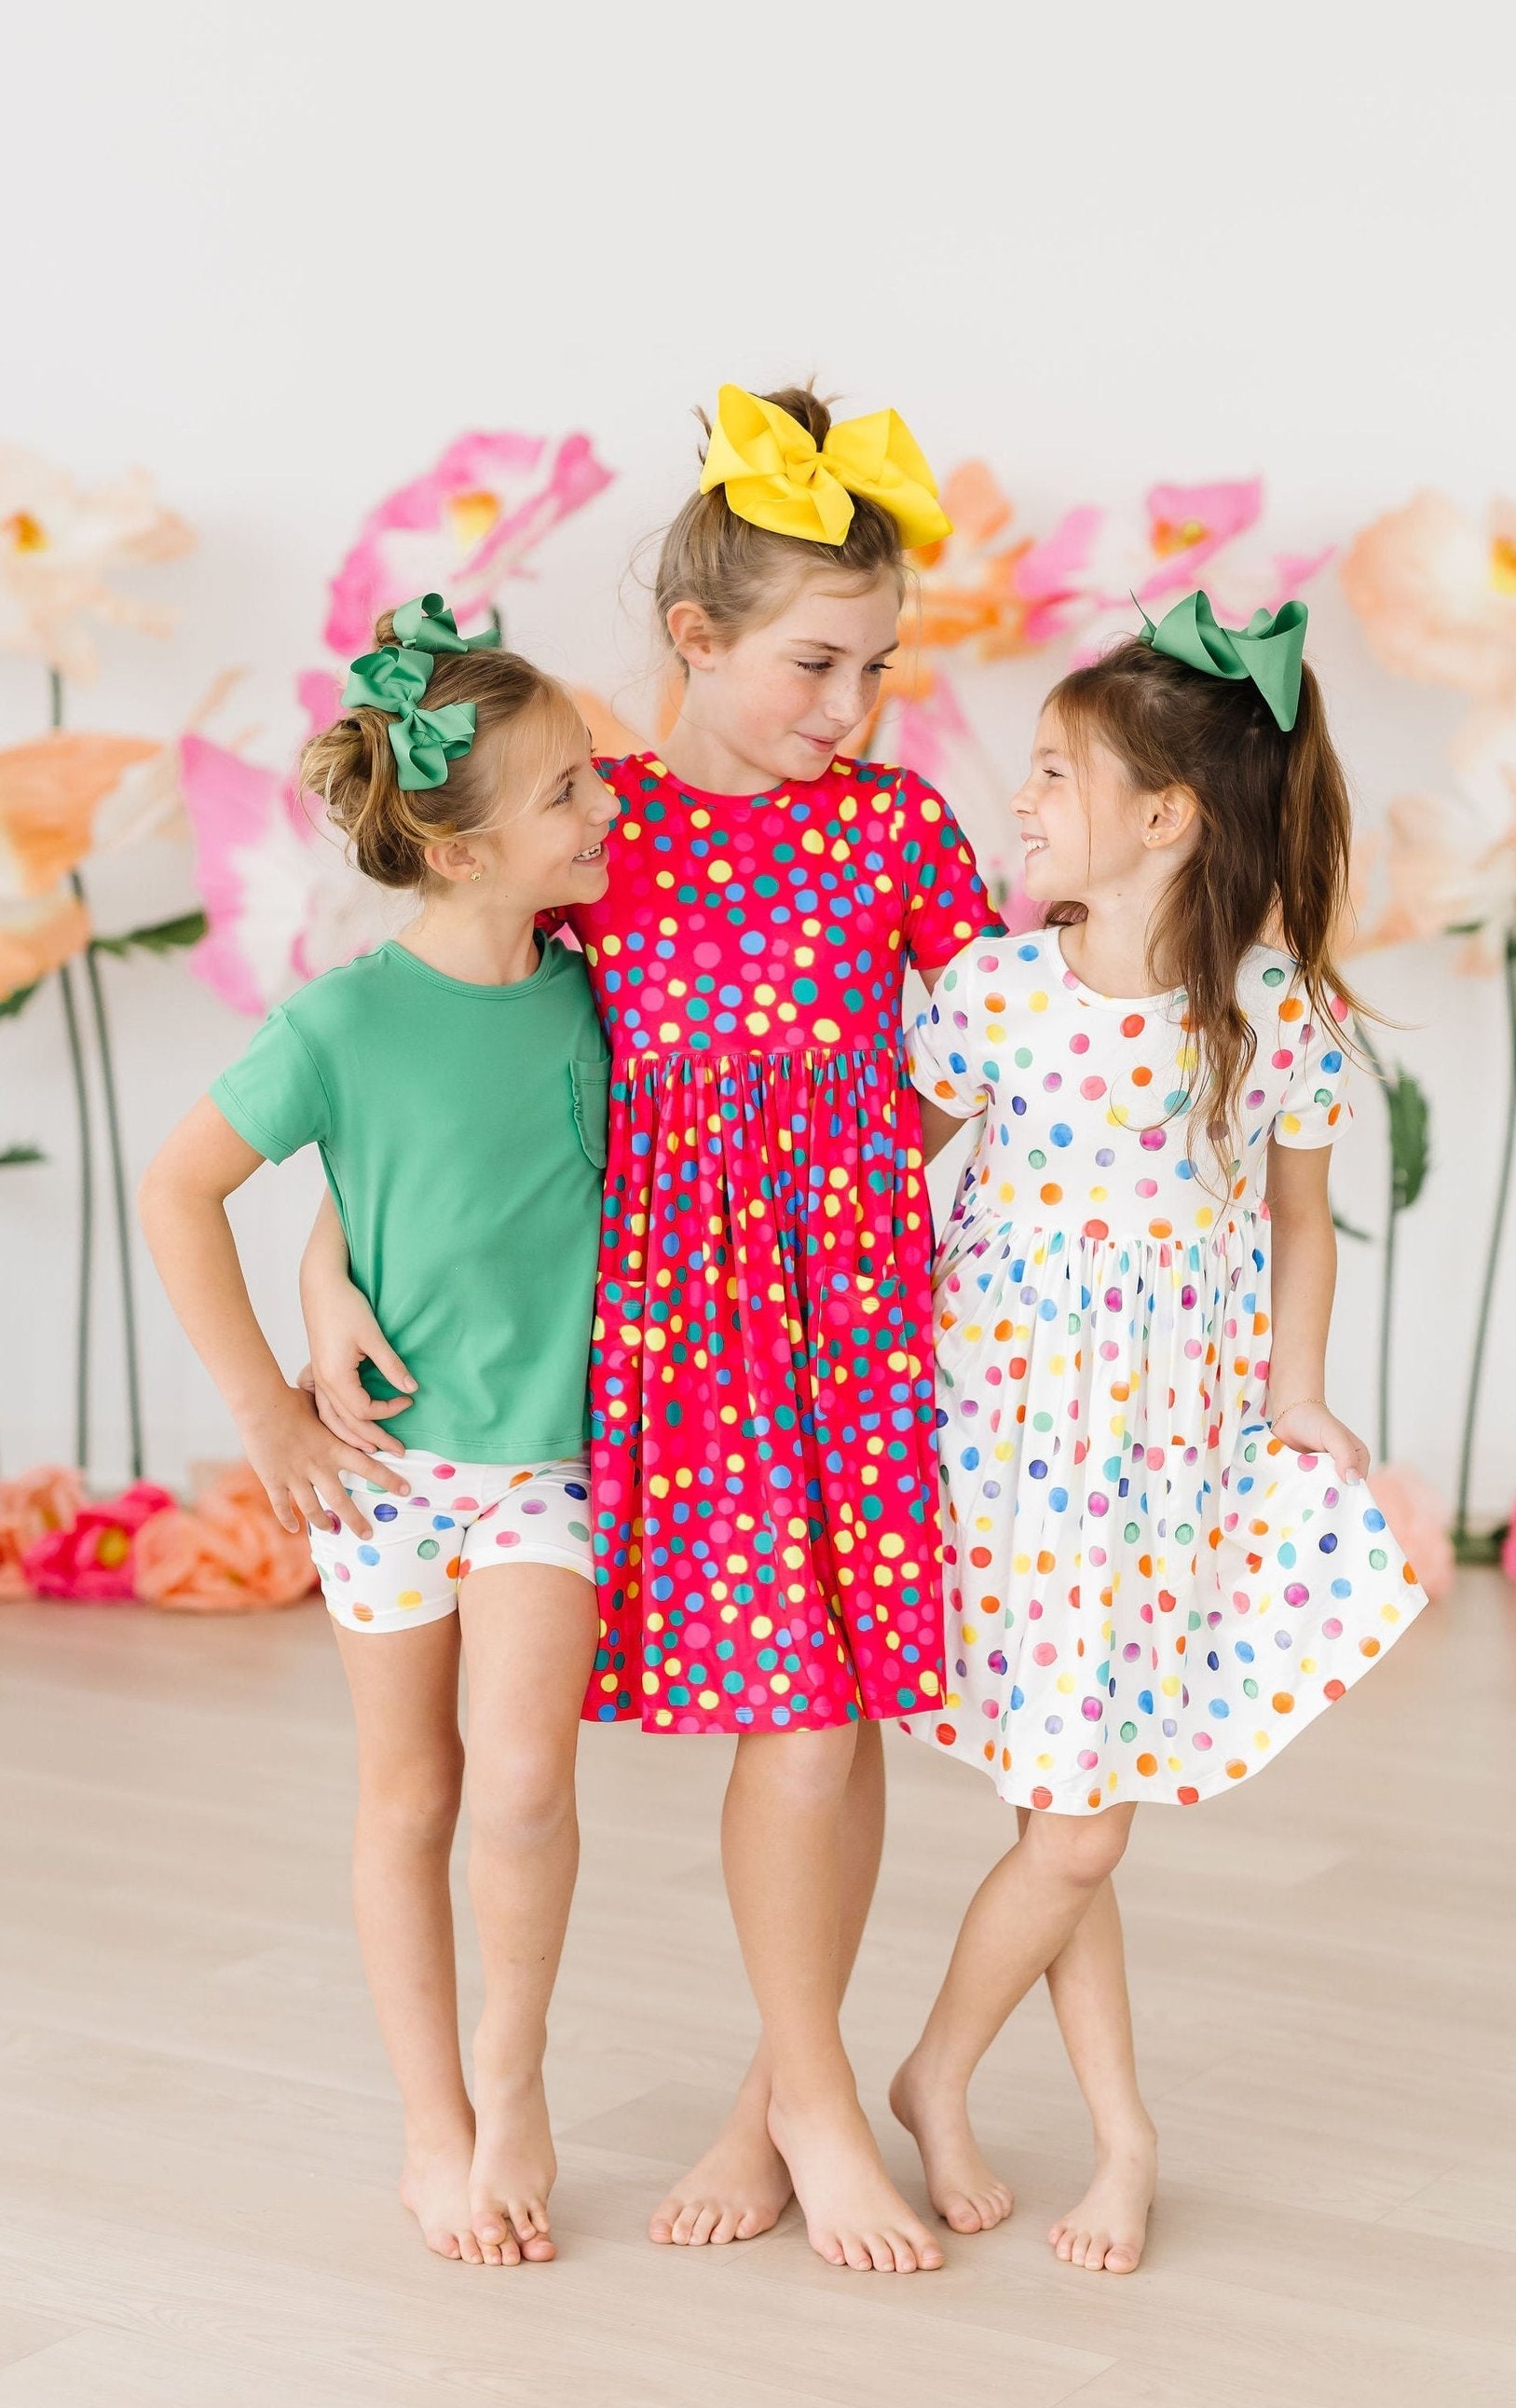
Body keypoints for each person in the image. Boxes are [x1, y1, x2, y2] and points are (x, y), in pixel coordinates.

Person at [304, 387, 1003, 2273]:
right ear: (695, 635)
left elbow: (1000, 1046)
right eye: (814, 664)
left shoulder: (896, 829)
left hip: (855, 1328)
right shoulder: (598, 834)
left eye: (875, 665)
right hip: (671, 1346)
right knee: (791, 1718)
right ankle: (806, 2092)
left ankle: (788, 2090)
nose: (851, 704)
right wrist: (323, 1263)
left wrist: (868, 1165)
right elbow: (446, 1067)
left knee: (837, 1709)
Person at [890, 593, 1427, 2272]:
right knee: (1078, 1820)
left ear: (1168, 817)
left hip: (1157, 1463)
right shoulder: (991, 993)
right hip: (1002, 1447)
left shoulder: (1269, 1014)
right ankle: (970, 2086)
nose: (1022, 797)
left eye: (1058, 772)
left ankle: (1068, 2120)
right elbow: (882, 1188)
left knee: (1077, 1809)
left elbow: (1303, 1222)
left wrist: (1296, 1393)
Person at [139, 595, 618, 2267]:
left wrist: (328, 1251)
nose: (607, 806)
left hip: (547, 1462)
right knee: (411, 1797)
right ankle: (434, 2124)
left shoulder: (606, 996)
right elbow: (180, 1189)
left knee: (526, 1786)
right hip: (389, 1472)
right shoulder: (338, 1022)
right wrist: (267, 1410)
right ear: (464, 848)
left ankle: (515, 2074)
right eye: (568, 790)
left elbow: (480, 1178)